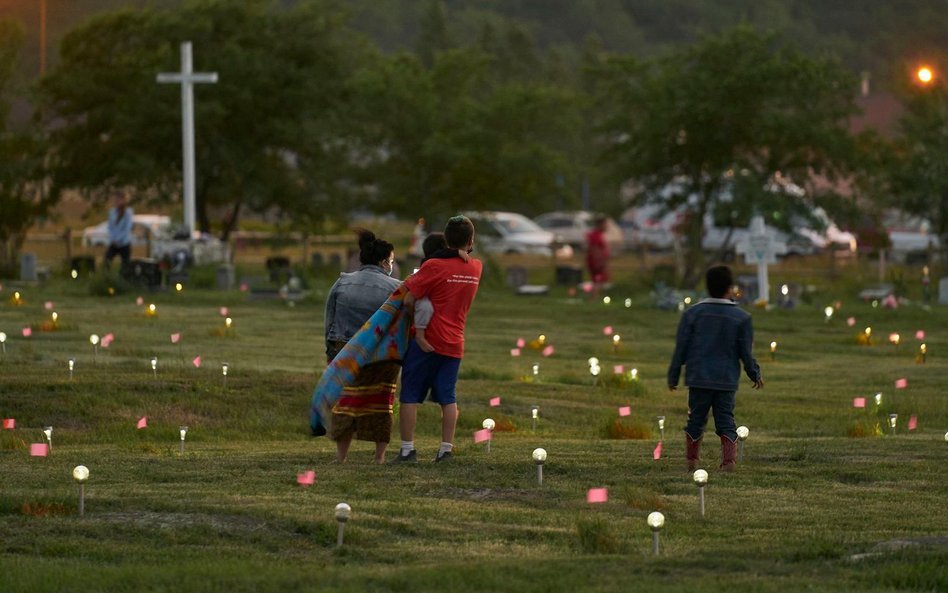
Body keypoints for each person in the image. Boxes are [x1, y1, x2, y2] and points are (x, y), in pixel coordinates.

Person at [392, 215, 482, 463]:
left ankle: (408, 450)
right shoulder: (476, 268)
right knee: (448, 397)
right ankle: (445, 450)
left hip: (426, 340)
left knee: (410, 395)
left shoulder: (434, 267)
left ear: (446, 239)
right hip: (455, 342)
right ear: (471, 240)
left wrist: (415, 320)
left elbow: (409, 296)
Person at [667, 265, 764, 472]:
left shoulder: (693, 314)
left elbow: (681, 347)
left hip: (699, 377)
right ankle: (728, 462)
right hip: (726, 378)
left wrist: (674, 374)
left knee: (696, 420)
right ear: (730, 288)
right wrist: (754, 372)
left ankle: (692, 461)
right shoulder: (741, 318)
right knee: (726, 419)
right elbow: (745, 352)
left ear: (707, 286)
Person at [323, 229, 401, 463]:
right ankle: (379, 456)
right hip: (380, 356)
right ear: (383, 261)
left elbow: (330, 318)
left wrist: (330, 352)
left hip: (344, 350)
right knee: (381, 403)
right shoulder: (395, 287)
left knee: (345, 402)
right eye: (391, 260)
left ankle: (341, 456)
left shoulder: (342, 281)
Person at [413, 231, 470, 353]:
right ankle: (420, 335)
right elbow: (444, 253)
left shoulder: (434, 260)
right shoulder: (432, 261)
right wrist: (456, 252)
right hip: (423, 299)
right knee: (425, 307)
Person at [105, 192, 134, 270]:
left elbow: (127, 228)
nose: (116, 201)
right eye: (115, 200)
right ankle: (107, 278)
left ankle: (123, 280)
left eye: (119, 200)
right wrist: (112, 239)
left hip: (124, 242)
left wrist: (118, 239)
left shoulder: (128, 212)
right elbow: (110, 227)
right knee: (107, 261)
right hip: (114, 242)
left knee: (125, 264)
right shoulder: (112, 212)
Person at [585, 216, 610, 294]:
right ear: (600, 225)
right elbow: (595, 249)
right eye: (605, 224)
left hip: (597, 261)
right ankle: (594, 298)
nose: (606, 226)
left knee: (598, 280)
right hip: (597, 262)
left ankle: (594, 297)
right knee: (598, 280)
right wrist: (600, 262)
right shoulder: (595, 235)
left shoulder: (598, 234)